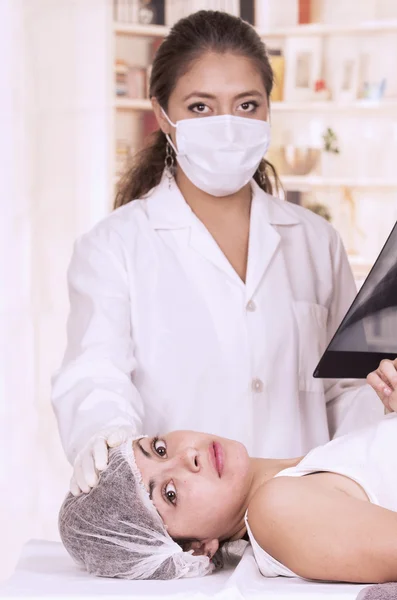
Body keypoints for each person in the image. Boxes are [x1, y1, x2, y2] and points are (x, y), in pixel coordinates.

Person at [51, 9, 387, 498]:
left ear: (269, 109)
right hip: (188, 529)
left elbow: (343, 392)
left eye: (247, 105)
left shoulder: (316, 241)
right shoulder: (114, 246)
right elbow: (95, 375)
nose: (228, 126)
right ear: (163, 115)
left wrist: (384, 408)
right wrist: (106, 435)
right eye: (201, 107)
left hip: (302, 518)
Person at [59, 409, 397, 583]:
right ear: (197, 548)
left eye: (159, 449)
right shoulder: (275, 510)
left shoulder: (305, 471)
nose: (187, 458)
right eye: (170, 493)